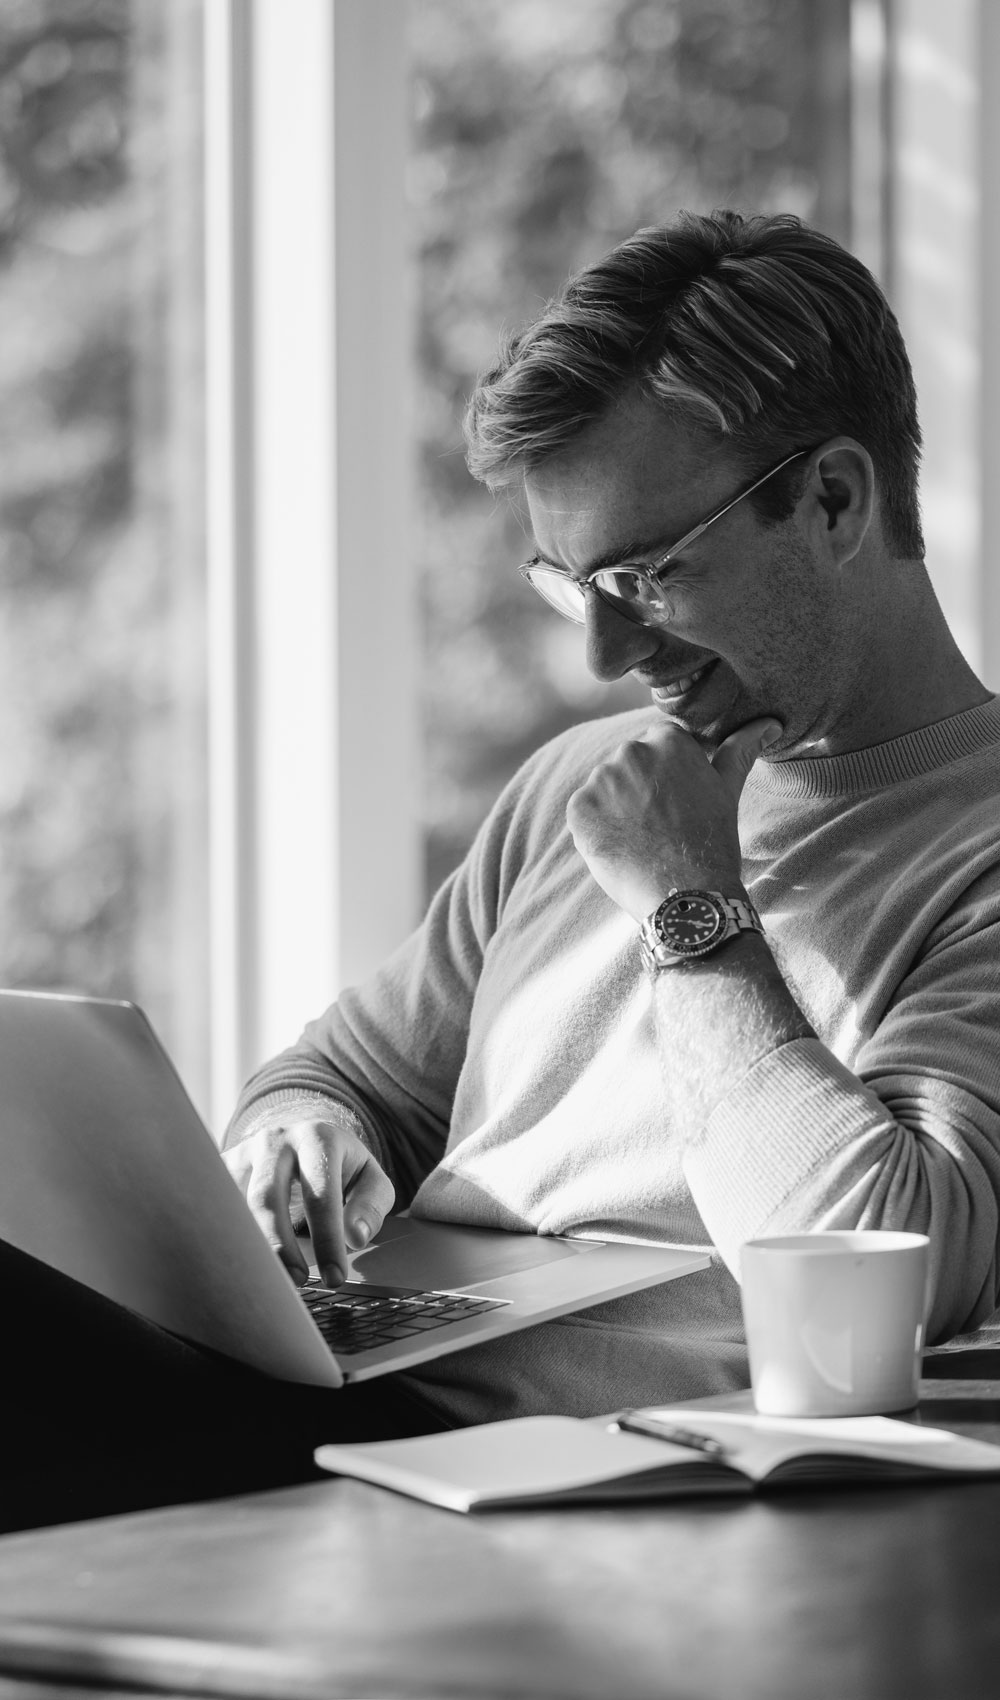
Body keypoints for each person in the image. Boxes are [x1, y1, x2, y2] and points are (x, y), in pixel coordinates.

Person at [7, 208, 1000, 1534]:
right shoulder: (577, 786)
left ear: (832, 498)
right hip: (342, 1399)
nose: (595, 659)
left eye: (646, 580)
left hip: (576, 1474)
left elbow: (896, 1261)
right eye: (564, 583)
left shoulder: (962, 839)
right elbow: (341, 1074)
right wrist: (300, 1139)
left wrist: (687, 905)